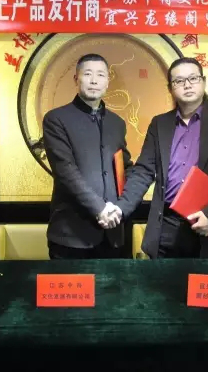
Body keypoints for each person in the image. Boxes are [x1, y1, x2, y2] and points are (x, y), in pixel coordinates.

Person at [107, 57, 208, 259]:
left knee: (203, 280)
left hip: (206, 223)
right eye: (179, 81)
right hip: (166, 224)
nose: (187, 85)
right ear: (170, 88)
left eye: (193, 78)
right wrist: (122, 207)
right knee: (164, 279)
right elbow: (143, 171)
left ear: (203, 82)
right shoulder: (160, 124)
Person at [42, 53, 133, 260]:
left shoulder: (117, 123)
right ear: (76, 79)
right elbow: (65, 171)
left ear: (107, 81)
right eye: (88, 74)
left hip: (113, 234)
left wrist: (125, 202)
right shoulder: (56, 119)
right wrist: (100, 209)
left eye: (100, 75)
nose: (94, 80)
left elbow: (123, 166)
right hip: (71, 235)